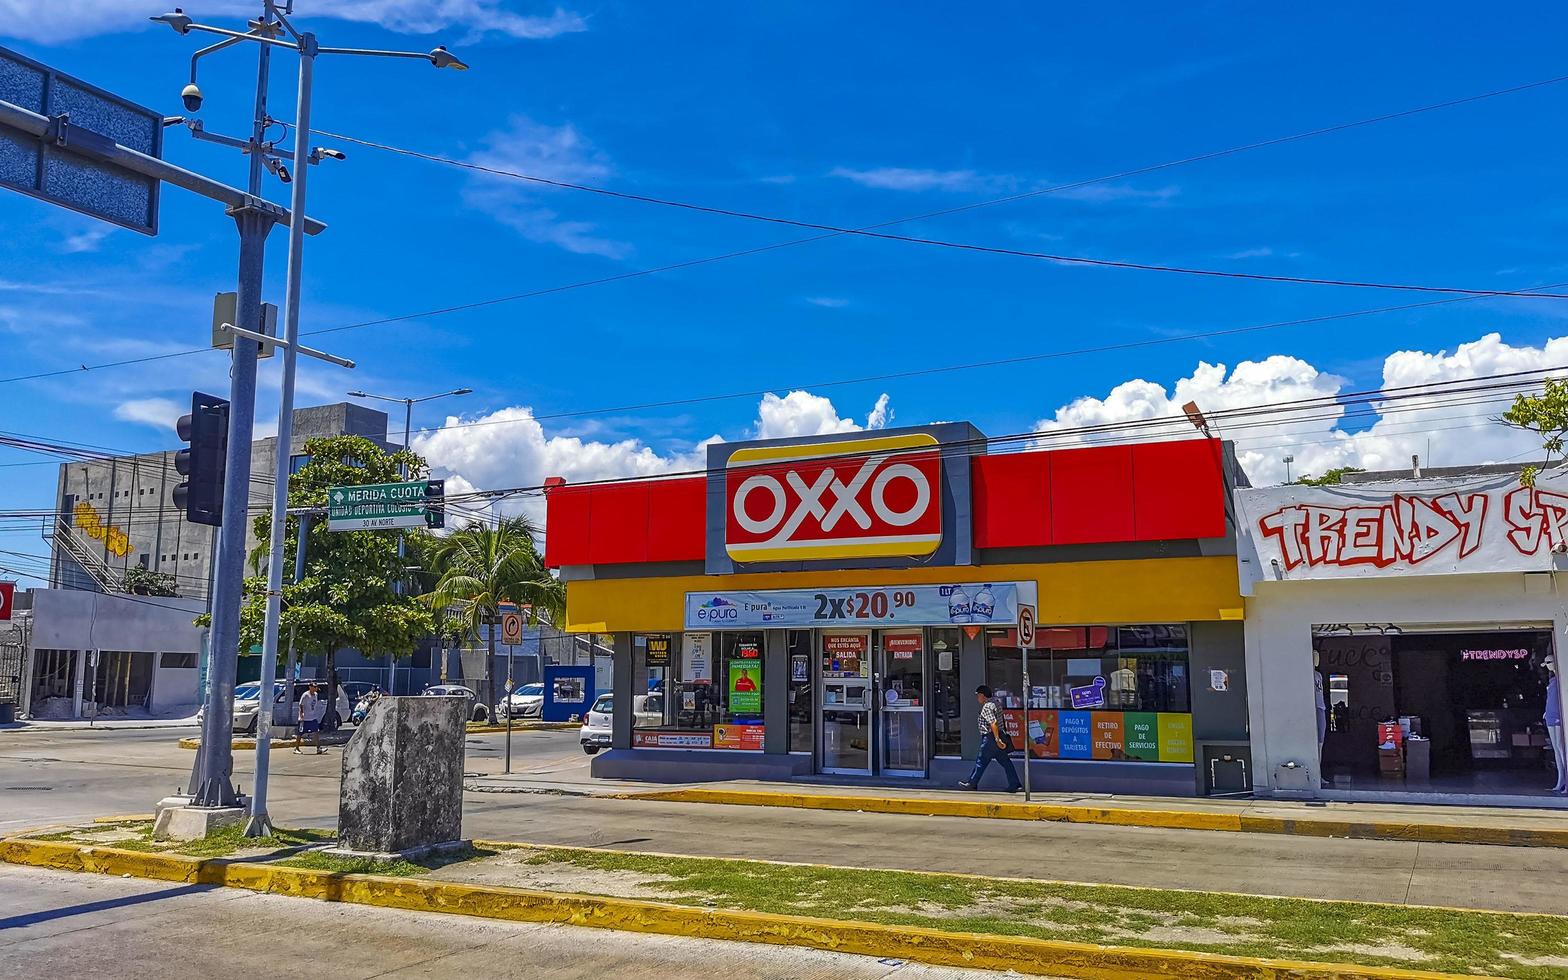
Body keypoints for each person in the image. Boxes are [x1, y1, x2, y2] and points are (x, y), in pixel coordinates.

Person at [959, 684, 1021, 792]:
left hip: (990, 738)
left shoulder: (987, 706)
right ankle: (1014, 783)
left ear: (982, 695)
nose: (977, 698)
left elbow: (993, 723)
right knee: (1006, 762)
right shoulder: (996, 703)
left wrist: (997, 739)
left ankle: (972, 783)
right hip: (998, 736)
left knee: (981, 761)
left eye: (978, 695)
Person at [294, 682, 324, 755]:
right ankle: (296, 748)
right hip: (304, 718)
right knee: (300, 733)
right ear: (310, 687)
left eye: (316, 687)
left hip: (312, 718)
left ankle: (318, 748)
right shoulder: (306, 695)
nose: (315, 688)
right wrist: (302, 714)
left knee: (316, 732)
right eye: (314, 687)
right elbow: (301, 705)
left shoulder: (316, 695)